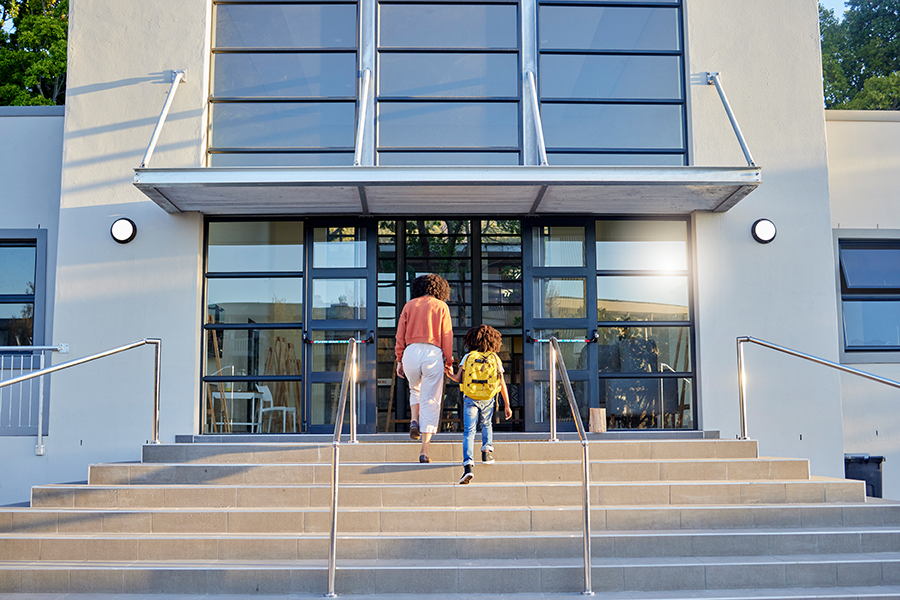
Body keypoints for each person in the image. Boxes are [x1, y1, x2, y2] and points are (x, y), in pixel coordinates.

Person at [395, 273, 454, 463]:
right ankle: (424, 450)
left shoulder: (409, 305)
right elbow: (447, 335)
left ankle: (414, 419)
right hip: (432, 353)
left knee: (415, 389)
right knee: (431, 400)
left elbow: (400, 334)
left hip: (411, 352)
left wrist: (399, 359)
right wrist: (448, 361)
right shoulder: (441, 306)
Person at [446, 324, 512, 484]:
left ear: (472, 340)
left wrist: (449, 373)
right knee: (487, 424)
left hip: (470, 397)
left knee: (469, 432)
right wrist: (507, 405)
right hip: (488, 397)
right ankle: (486, 451)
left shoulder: (468, 357)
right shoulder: (495, 358)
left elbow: (457, 378)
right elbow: (501, 382)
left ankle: (468, 466)